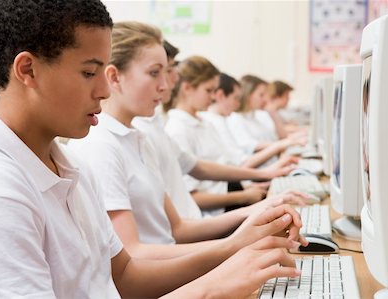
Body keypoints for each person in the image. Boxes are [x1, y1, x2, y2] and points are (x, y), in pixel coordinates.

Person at [0, 1, 306, 298]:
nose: (105, 90)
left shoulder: (71, 164)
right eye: (89, 72)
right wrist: (211, 288)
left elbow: (122, 274)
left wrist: (234, 250)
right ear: (27, 70)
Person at [68, 21, 307, 258]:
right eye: (154, 73)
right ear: (115, 77)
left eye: (167, 72)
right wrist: (235, 243)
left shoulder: (139, 138)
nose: (165, 85)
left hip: (174, 262)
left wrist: (254, 211)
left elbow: (177, 230)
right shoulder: (102, 146)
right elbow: (133, 255)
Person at [133, 42, 307, 219]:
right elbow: (193, 194)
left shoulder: (203, 123)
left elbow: (212, 167)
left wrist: (261, 177)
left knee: (285, 211)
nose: (214, 97)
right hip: (215, 212)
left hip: (229, 196)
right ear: (187, 89)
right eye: (209, 90)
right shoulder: (176, 129)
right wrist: (245, 195)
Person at [227, 75, 307, 154]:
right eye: (261, 95)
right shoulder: (235, 119)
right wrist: (287, 143)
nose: (265, 99)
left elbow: (277, 137)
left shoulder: (257, 116)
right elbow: (251, 146)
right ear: (248, 95)